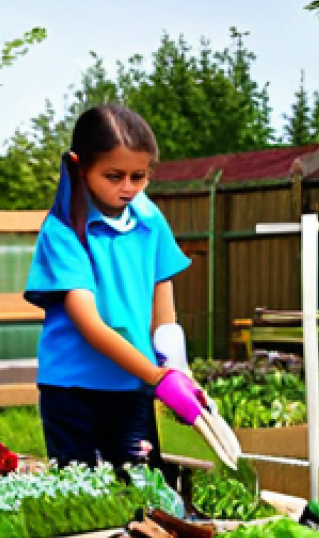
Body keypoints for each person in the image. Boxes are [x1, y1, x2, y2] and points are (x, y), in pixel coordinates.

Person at [25, 104, 207, 469]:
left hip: (131, 385)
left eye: (139, 176)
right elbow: (88, 324)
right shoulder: (62, 232)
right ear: (80, 166)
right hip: (73, 390)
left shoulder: (149, 219)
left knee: (143, 492)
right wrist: (157, 377)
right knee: (84, 499)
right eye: (113, 176)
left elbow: (162, 301)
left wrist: (177, 367)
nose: (128, 188)